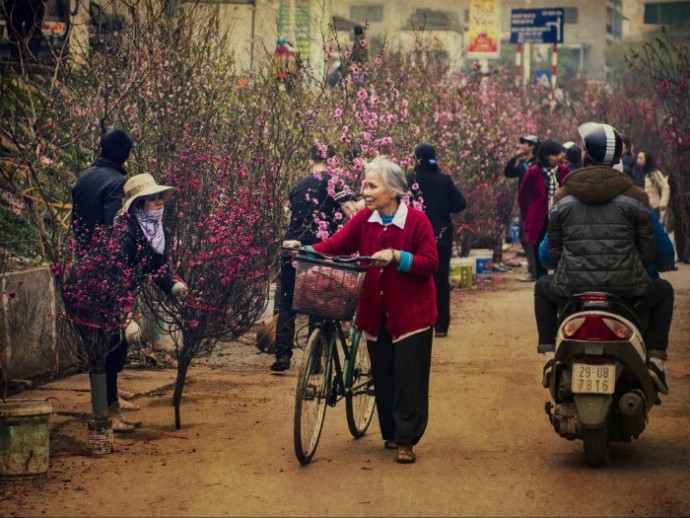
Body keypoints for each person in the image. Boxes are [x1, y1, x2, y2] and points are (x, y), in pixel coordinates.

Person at [285, 156, 438, 464]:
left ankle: (407, 440)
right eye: (364, 185)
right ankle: (392, 433)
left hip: (412, 314)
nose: (364, 192)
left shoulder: (417, 221)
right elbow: (337, 245)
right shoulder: (363, 220)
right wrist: (306, 249)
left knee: (408, 379)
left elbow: (430, 263)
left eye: (371, 185)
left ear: (393, 190)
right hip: (375, 310)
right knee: (383, 375)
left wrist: (397, 256)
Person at [534, 122, 674, 395]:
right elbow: (650, 255)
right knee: (665, 291)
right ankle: (655, 361)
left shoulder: (562, 199)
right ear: (619, 158)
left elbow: (549, 257)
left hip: (572, 291)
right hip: (627, 292)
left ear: (585, 155)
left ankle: (550, 357)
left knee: (542, 286)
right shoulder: (637, 198)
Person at [107, 174, 188, 431]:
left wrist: (172, 285)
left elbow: (158, 268)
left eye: (159, 198)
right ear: (139, 204)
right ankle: (106, 415)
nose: (159, 203)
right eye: (152, 199)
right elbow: (114, 274)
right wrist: (125, 317)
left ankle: (111, 409)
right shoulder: (125, 232)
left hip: (121, 295)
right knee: (108, 353)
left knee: (116, 354)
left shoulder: (154, 231)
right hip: (104, 293)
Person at [271, 145, 360, 372]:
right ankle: (315, 362)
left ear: (310, 162)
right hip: (319, 249)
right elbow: (353, 214)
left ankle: (282, 357)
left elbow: (290, 215)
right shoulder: (335, 182)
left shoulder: (299, 185)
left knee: (287, 301)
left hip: (292, 245)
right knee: (319, 303)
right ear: (331, 161)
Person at [407, 143, 466, 337]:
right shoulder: (443, 180)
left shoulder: (409, 180)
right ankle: (441, 326)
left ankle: (418, 325)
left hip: (414, 237)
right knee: (440, 281)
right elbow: (460, 204)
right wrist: (442, 207)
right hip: (440, 236)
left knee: (416, 280)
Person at [71, 129, 133, 250]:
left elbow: (75, 220)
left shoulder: (84, 177)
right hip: (102, 258)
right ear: (127, 156)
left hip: (82, 253)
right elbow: (114, 228)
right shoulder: (118, 183)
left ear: (102, 149)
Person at [517, 139, 569, 281]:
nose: (559, 157)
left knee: (561, 253)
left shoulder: (564, 171)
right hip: (539, 220)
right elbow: (522, 196)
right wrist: (528, 215)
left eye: (560, 153)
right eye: (555, 154)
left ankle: (559, 285)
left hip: (561, 217)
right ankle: (541, 285)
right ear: (546, 155)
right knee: (540, 253)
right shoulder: (534, 172)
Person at [504, 135, 540, 280]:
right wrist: (514, 158)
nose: (521, 146)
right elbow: (508, 173)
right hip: (524, 205)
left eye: (524, 143)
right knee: (523, 237)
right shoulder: (523, 163)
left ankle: (535, 271)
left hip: (534, 205)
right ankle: (534, 269)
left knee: (530, 237)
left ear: (532, 146)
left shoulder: (537, 163)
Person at [637, 150, 670, 219]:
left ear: (646, 160)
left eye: (641, 158)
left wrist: (663, 203)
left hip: (654, 208)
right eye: (637, 158)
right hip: (640, 209)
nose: (638, 160)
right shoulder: (636, 174)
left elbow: (665, 186)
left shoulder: (654, 173)